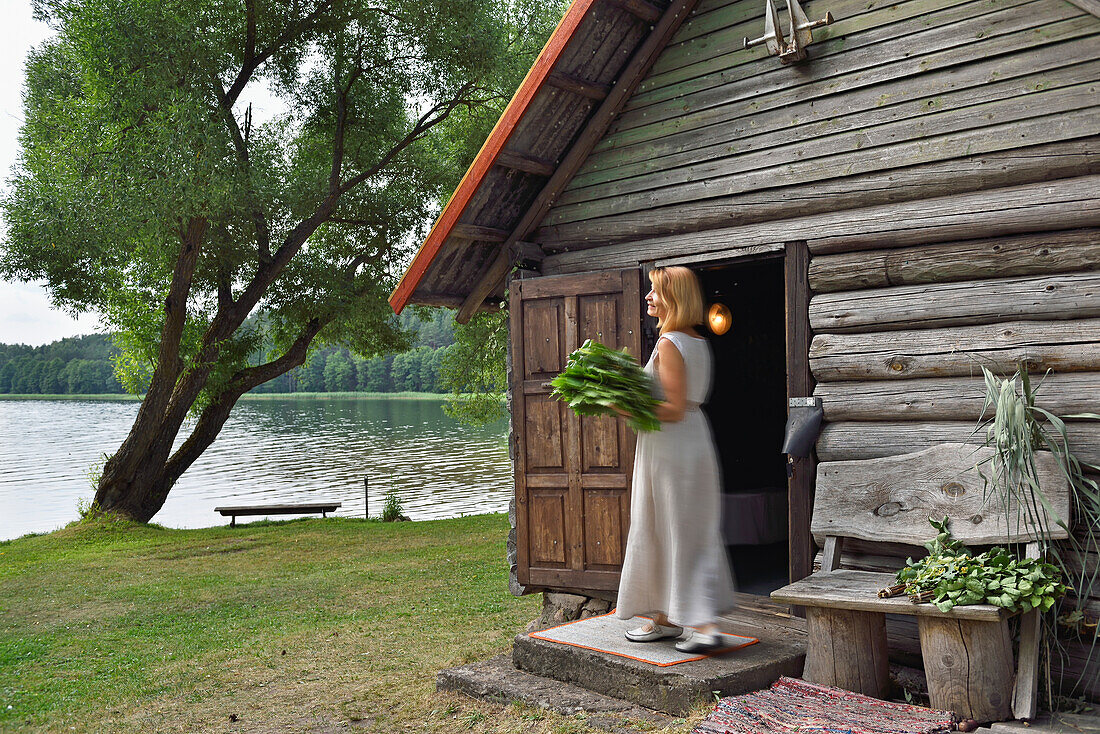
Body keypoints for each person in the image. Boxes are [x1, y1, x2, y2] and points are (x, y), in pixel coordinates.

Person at [614, 266, 736, 653]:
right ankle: (663, 618)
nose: (648, 297)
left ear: (675, 299)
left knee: (678, 528)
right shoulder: (695, 340)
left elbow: (672, 408)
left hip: (672, 446)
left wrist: (622, 405)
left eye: (655, 292)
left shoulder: (669, 342)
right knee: (669, 524)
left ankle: (704, 627)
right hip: (685, 445)